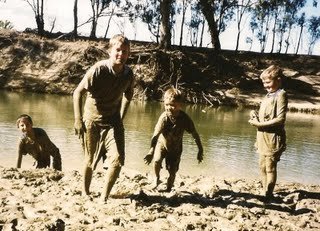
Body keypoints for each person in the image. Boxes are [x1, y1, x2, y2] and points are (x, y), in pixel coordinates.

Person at [73, 34, 134, 202]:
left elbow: (129, 95)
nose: (121, 54)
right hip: (91, 120)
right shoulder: (98, 70)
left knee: (118, 159)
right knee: (90, 159)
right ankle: (85, 192)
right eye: (118, 50)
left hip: (113, 121)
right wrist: (78, 120)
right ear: (110, 51)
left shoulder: (128, 74)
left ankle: (104, 196)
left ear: (129, 54)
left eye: (125, 52)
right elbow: (77, 93)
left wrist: (121, 116)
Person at [144, 87, 204, 192]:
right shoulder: (164, 118)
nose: (169, 108)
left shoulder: (185, 119)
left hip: (176, 148)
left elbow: (195, 134)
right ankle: (156, 179)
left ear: (180, 105)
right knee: (157, 160)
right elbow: (155, 135)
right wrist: (151, 150)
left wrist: (200, 150)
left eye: (173, 105)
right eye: (167, 105)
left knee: (172, 171)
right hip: (161, 144)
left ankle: (169, 187)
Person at [248, 65, 288, 201]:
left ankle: (269, 194)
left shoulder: (281, 94)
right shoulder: (267, 95)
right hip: (261, 137)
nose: (266, 85)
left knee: (270, 167)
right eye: (264, 83)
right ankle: (265, 190)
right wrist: (255, 115)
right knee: (262, 166)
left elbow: (280, 119)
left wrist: (259, 124)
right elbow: (265, 116)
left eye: (268, 82)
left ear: (278, 80)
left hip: (273, 138)